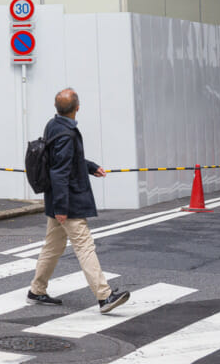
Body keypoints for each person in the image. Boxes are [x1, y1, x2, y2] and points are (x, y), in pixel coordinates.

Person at [27, 88, 130, 314]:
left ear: (57, 108)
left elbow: (66, 161)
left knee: (53, 247)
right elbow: (60, 171)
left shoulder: (53, 125)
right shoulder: (66, 133)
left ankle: (36, 290)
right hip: (68, 201)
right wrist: (62, 208)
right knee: (84, 246)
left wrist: (91, 167)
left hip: (57, 198)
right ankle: (104, 297)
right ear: (77, 108)